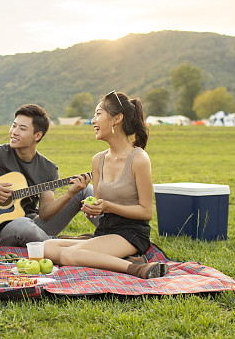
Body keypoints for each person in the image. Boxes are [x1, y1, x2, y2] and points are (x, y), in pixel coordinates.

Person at [44, 91, 169, 279]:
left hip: (131, 233)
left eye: (98, 114)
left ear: (117, 118)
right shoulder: (98, 160)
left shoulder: (139, 159)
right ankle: (110, 253)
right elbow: (101, 203)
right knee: (45, 248)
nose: (93, 120)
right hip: (105, 229)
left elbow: (146, 212)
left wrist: (109, 206)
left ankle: (136, 268)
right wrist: (92, 207)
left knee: (69, 255)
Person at [0, 103, 92, 246]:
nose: (14, 132)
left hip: (34, 224)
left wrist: (69, 194)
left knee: (87, 190)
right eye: (14, 125)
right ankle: (65, 245)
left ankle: (110, 236)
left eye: (22, 129)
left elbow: (45, 213)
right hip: (4, 230)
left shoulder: (48, 169)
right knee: (23, 225)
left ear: (37, 135)